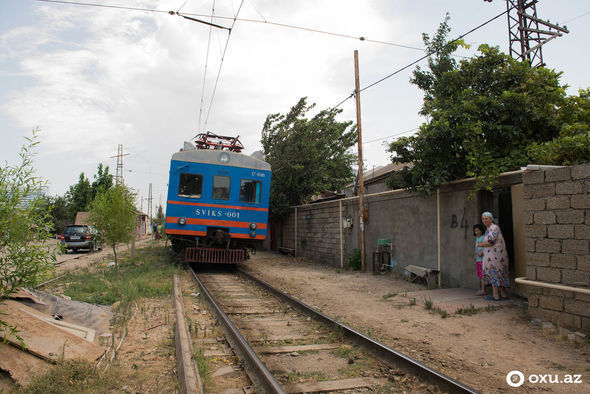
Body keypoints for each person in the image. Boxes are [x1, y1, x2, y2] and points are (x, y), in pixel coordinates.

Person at [477, 212, 509, 301]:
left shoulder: (493, 228)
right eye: (483, 219)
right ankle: (503, 294)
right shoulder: (489, 229)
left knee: (494, 272)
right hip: (493, 256)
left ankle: (496, 295)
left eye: (486, 218)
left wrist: (481, 244)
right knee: (500, 273)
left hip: (495, 256)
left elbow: (491, 242)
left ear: (491, 219)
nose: (484, 220)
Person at [473, 223, 487, 296]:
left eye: (478, 230)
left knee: (482, 275)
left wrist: (481, 253)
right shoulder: (477, 238)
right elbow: (477, 248)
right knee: (480, 275)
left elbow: (485, 247)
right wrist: (476, 255)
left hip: (483, 259)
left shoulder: (484, 237)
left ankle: (483, 290)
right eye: (475, 231)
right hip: (478, 259)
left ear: (481, 230)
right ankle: (483, 289)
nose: (477, 232)